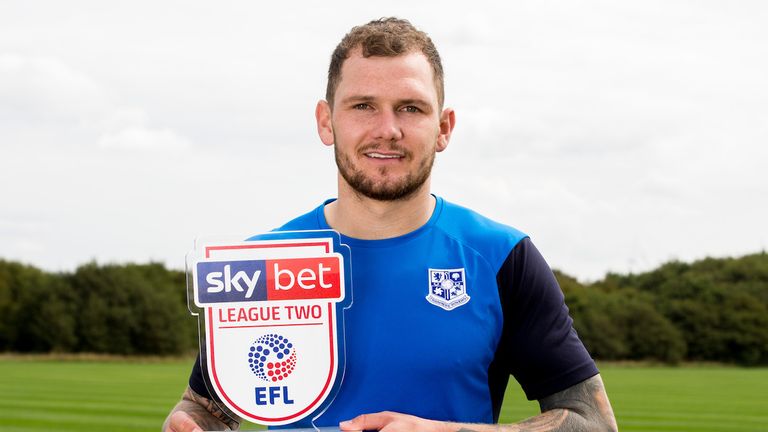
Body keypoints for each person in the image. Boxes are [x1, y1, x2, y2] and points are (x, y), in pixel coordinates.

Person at [164, 17, 618, 432]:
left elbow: (593, 422)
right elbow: (207, 408)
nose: (387, 129)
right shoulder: (262, 264)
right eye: (363, 106)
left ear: (443, 127)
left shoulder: (502, 257)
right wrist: (189, 423)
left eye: (410, 108)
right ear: (327, 122)